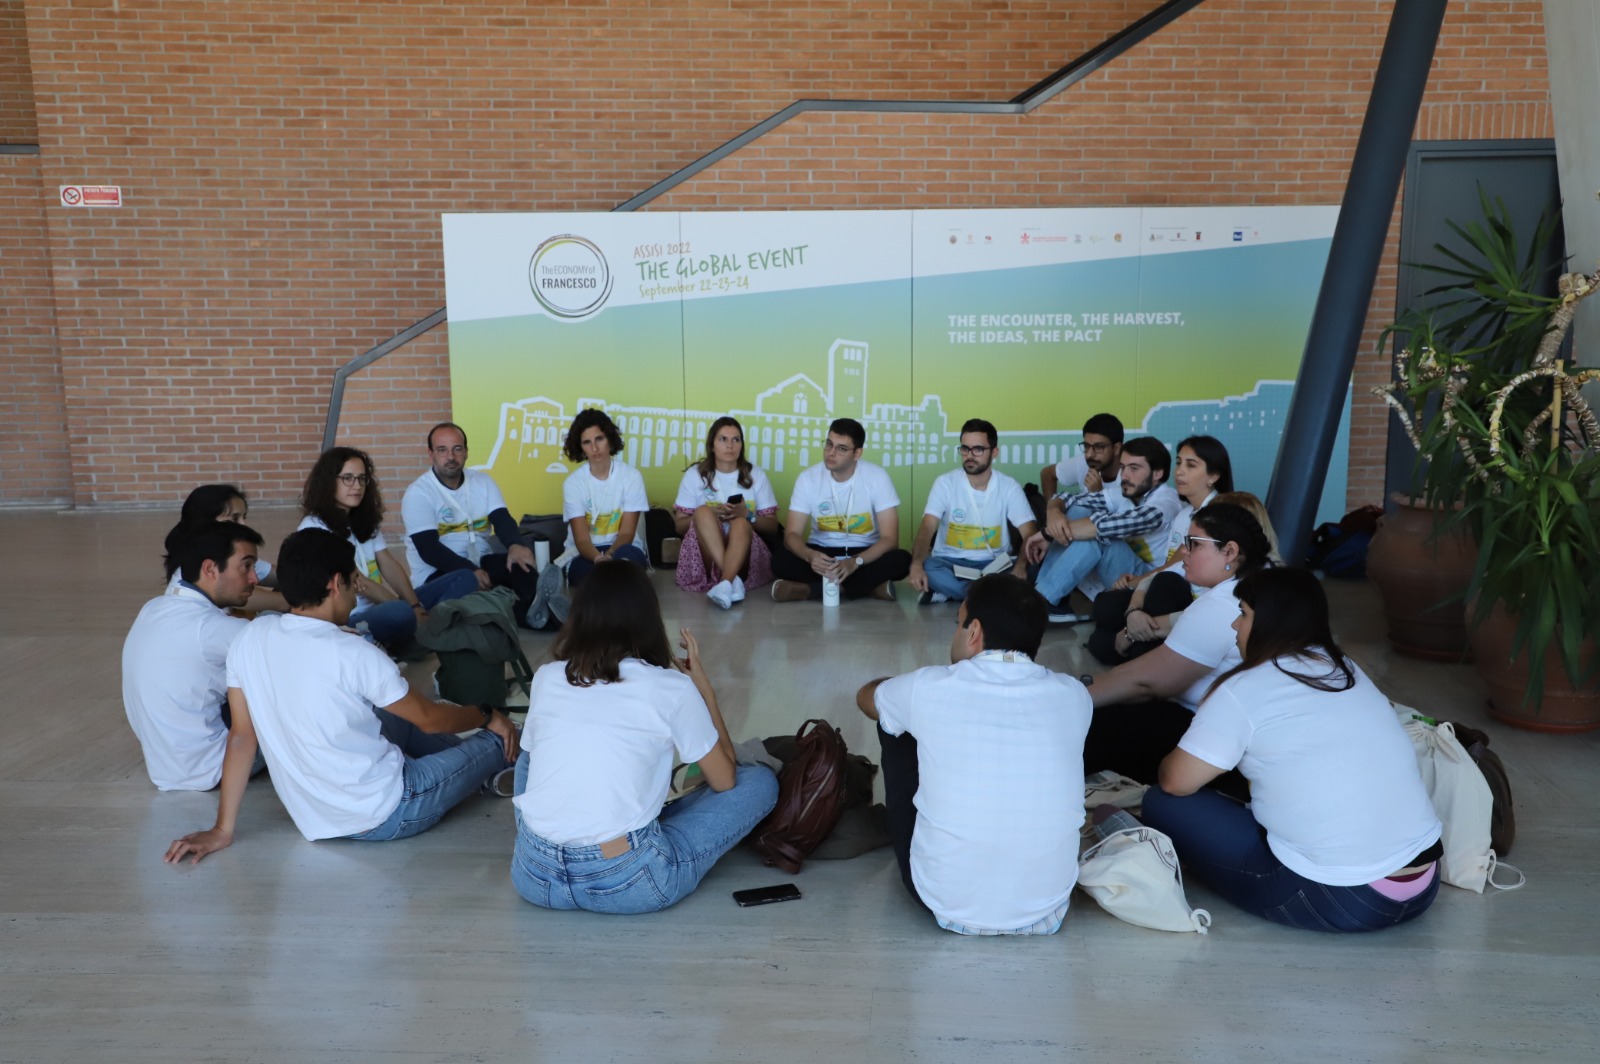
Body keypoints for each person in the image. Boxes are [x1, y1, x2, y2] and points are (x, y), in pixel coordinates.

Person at [163, 528, 519, 864]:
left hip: (315, 817)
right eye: (353, 582)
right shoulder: (355, 652)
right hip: (392, 809)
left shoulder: (249, 638)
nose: (356, 592)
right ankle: (497, 765)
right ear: (336, 584)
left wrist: (222, 829)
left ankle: (481, 774)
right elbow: (431, 719)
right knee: (495, 737)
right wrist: (487, 714)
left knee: (394, 714)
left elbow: (242, 737)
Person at [1141, 567, 1444, 932]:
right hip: (1423, 883)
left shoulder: (1244, 688)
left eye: (1243, 613)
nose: (1234, 625)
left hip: (1340, 897)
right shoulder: (1346, 668)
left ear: (1272, 621)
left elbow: (1176, 782)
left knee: (1162, 802)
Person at [509, 561, 778, 913]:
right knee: (759, 782)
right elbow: (725, 781)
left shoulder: (547, 677)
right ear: (648, 619)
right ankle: (630, 825)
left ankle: (564, 826)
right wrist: (705, 693)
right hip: (629, 881)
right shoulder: (672, 688)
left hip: (534, 874)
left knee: (530, 753)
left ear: (579, 617)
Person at [855, 574, 1092, 934]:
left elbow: (865, 698)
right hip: (1047, 905)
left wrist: (894, 688)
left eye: (958, 623)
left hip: (945, 901)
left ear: (974, 631)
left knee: (893, 721)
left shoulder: (929, 686)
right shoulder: (1075, 695)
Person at [1081, 502, 1274, 785]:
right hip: (1242, 735)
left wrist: (1072, 696)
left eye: (1194, 544)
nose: (1184, 551)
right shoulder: (1260, 579)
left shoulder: (1224, 603)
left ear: (1230, 552)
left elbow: (1148, 682)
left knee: (1097, 725)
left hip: (1226, 750)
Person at [124, 522, 267, 791]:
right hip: (215, 767)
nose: (254, 579)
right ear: (210, 569)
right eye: (246, 566)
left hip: (166, 766)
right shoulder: (215, 629)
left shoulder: (153, 607)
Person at [299, 447, 477, 651]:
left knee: (465, 578)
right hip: (350, 618)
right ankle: (423, 634)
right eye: (348, 478)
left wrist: (415, 605)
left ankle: (421, 633)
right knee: (398, 612)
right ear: (329, 481)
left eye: (362, 478)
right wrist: (408, 610)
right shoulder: (315, 527)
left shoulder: (361, 520)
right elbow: (360, 583)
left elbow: (388, 564)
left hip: (381, 607)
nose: (357, 486)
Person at [1086, 435, 1233, 664]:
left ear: (1213, 476)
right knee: (1105, 606)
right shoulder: (1184, 514)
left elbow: (1175, 571)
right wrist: (1135, 601)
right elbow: (1170, 566)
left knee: (1165, 584)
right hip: (1169, 590)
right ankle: (1136, 640)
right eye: (1179, 463)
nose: (1180, 471)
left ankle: (1139, 646)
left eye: (1191, 465)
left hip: (1195, 601)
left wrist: (1138, 597)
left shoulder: (1223, 515)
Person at [1025, 436, 1185, 622]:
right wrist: (1054, 511)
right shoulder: (1127, 492)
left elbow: (1106, 527)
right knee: (1077, 510)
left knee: (1098, 537)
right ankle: (1044, 592)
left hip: (1146, 582)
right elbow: (1068, 499)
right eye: (1123, 467)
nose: (1125, 476)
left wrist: (1047, 533)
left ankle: (1044, 599)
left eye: (1134, 468)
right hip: (1119, 571)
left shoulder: (1165, 504)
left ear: (1157, 474)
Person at [402, 422, 541, 623]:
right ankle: (528, 612)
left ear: (466, 452)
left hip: (480, 562)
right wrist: (470, 570)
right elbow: (429, 549)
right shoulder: (418, 493)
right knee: (465, 582)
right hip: (438, 575)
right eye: (442, 450)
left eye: (457, 449)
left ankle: (534, 609)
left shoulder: (483, 482)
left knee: (521, 564)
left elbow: (502, 519)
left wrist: (515, 545)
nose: (451, 456)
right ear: (430, 453)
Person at [770, 417, 912, 602]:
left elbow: (890, 540)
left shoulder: (878, 477)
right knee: (780, 559)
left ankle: (812, 590)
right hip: (823, 553)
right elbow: (791, 534)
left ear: (857, 453)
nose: (831, 452)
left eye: (841, 448)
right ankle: (869, 587)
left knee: (902, 560)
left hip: (863, 554)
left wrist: (855, 562)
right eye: (829, 444)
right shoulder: (808, 478)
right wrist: (810, 556)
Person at [907, 418, 1036, 604]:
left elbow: (1030, 533)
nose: (969, 455)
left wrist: (1021, 566)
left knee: (1036, 565)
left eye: (978, 449)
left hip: (995, 564)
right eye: (965, 449)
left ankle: (955, 592)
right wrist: (917, 564)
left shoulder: (1009, 487)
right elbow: (927, 527)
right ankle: (989, 595)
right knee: (927, 566)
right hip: (950, 563)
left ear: (994, 452)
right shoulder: (945, 483)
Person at [671, 416, 780, 609]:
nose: (730, 445)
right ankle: (730, 581)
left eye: (736, 439)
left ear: (742, 445)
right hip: (705, 556)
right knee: (703, 512)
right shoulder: (695, 475)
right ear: (712, 445)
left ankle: (726, 581)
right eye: (723, 439)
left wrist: (747, 514)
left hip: (745, 554)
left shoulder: (756, 475)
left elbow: (772, 527)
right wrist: (711, 515)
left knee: (741, 522)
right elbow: (679, 526)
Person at [162, 484, 288, 613]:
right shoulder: (189, 567)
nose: (243, 525)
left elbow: (286, 575)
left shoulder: (236, 557)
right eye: (234, 518)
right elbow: (283, 603)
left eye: (244, 517)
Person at [561, 408, 650, 588]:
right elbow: (582, 540)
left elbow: (626, 533)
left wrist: (609, 556)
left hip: (622, 548)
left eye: (599, 439)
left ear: (609, 438)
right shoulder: (573, 483)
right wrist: (598, 559)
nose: (594, 448)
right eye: (587, 442)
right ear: (580, 447)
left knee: (625, 564)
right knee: (590, 575)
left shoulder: (631, 476)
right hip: (585, 553)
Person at [1036, 412, 1129, 515]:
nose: (1089, 454)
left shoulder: (1131, 476)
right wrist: (1052, 514)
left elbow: (1125, 522)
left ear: (1116, 448)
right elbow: (1047, 474)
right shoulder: (1084, 462)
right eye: (1086, 446)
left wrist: (1098, 496)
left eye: (1099, 447)